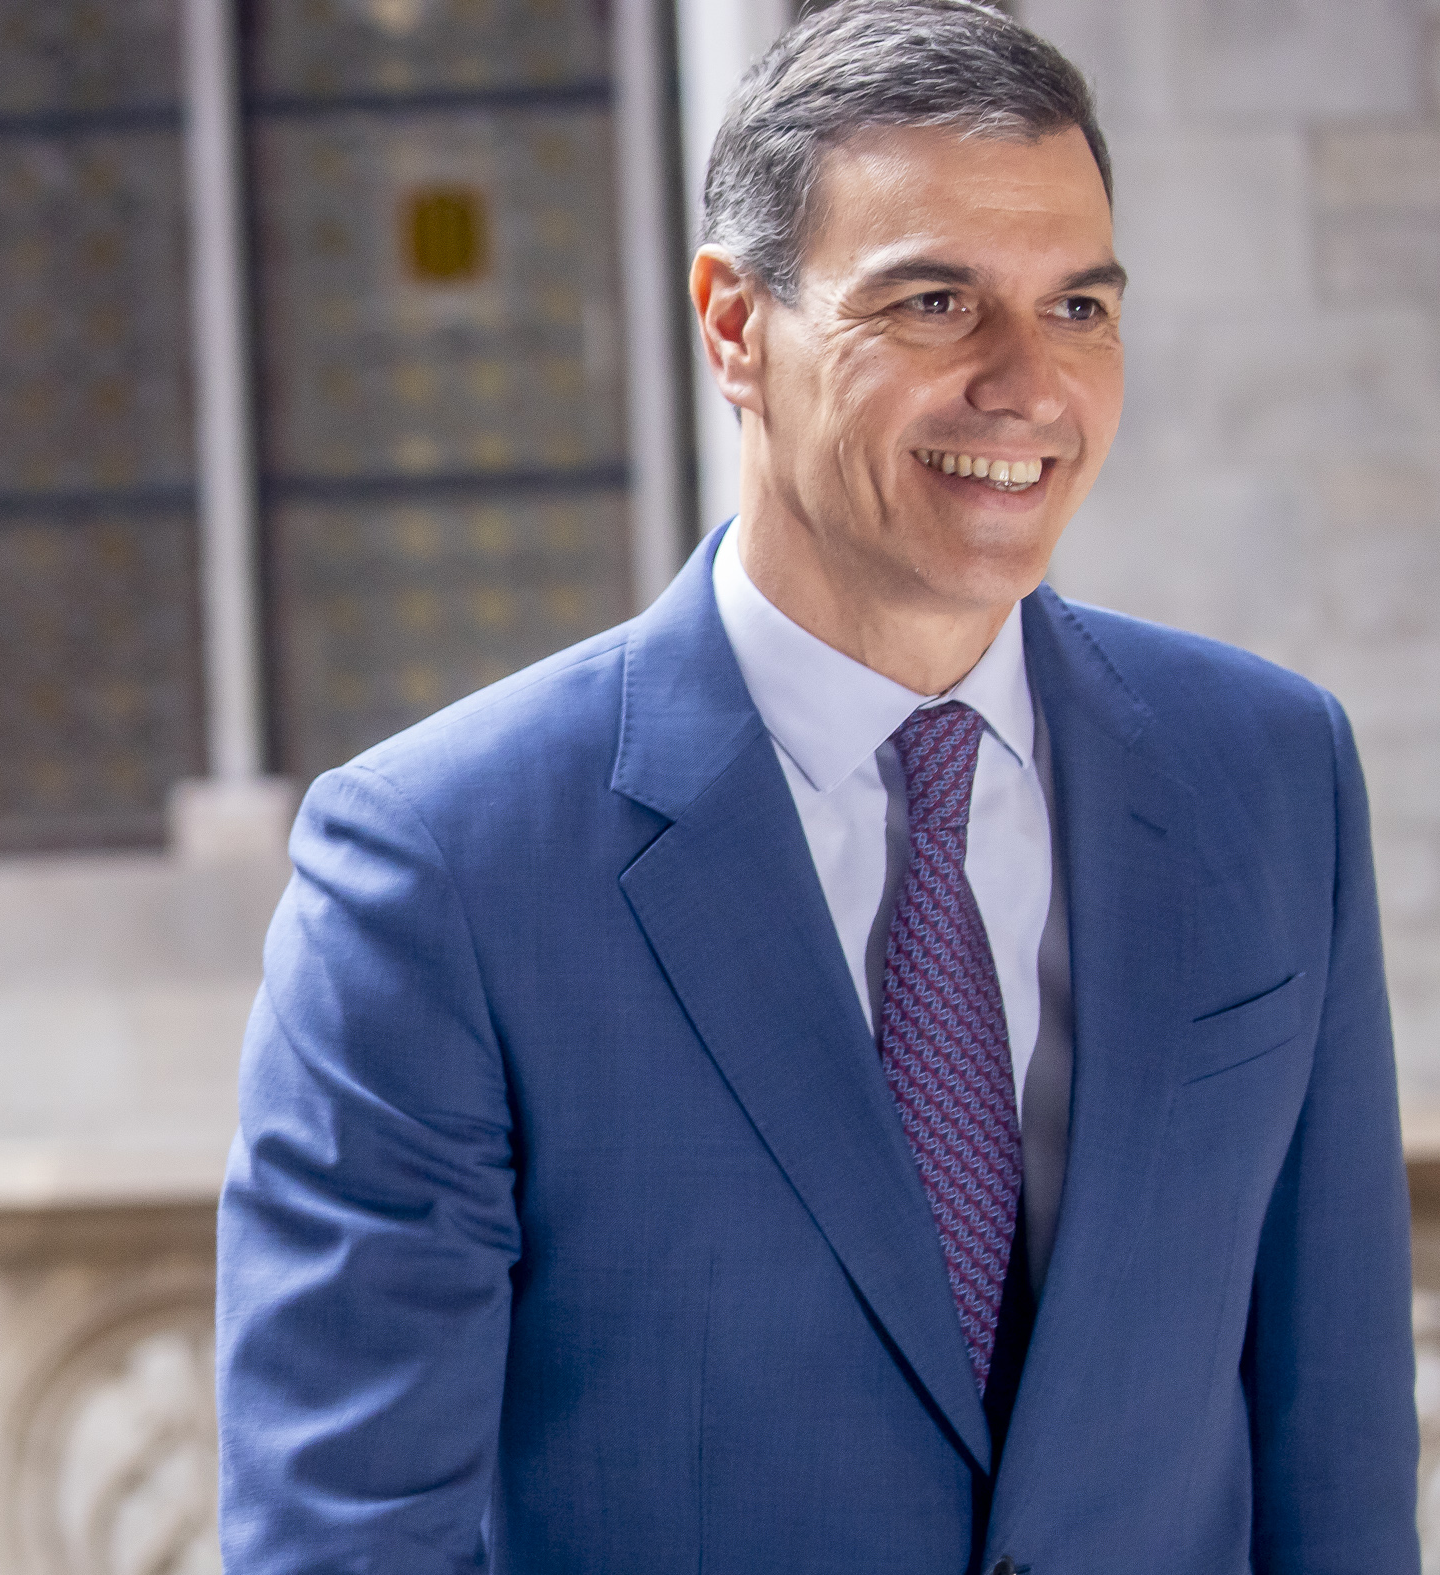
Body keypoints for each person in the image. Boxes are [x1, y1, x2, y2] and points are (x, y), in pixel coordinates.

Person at [215, 2, 1418, 1570]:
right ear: (731, 324)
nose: (1025, 384)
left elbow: (1332, 1445)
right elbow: (349, 1535)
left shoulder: (1266, 772)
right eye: (931, 302)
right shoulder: (438, 864)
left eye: (1075, 305)